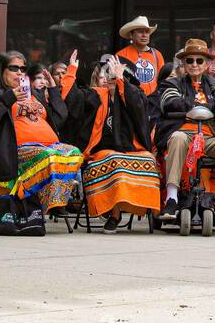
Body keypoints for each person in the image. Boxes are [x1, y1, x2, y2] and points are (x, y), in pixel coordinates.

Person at [0, 51, 81, 235]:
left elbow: (59, 117)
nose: (19, 72)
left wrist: (53, 89)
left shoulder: (34, 95)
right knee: (49, 157)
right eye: (13, 68)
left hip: (46, 148)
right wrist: (9, 97)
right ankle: (27, 197)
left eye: (23, 69)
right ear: (1, 70)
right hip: (11, 152)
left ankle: (39, 205)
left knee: (73, 153)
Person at [58, 52, 162, 232]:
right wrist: (71, 71)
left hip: (132, 149)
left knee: (148, 159)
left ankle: (146, 210)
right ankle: (114, 214)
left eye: (113, 74)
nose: (108, 77)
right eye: (105, 73)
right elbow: (70, 100)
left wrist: (121, 80)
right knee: (114, 160)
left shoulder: (133, 94)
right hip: (101, 151)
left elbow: (138, 106)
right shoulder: (95, 95)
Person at [156, 38, 215, 222]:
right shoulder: (171, 83)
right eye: (189, 60)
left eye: (199, 60)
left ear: (207, 64)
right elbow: (170, 103)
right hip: (184, 134)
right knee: (178, 138)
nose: (194, 64)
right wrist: (209, 107)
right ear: (184, 63)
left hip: (212, 136)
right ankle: (171, 199)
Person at [115, 15, 165, 99]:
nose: (144, 35)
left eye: (147, 32)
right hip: (131, 102)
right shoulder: (121, 55)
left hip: (153, 104)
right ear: (131, 34)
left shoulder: (157, 55)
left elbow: (163, 81)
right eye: (140, 31)